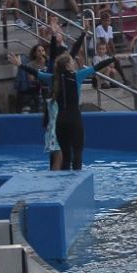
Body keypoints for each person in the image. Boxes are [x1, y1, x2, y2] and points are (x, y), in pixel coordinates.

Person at [11, 33, 115, 170]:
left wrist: (20, 64)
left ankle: (64, 185)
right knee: (77, 154)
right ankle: (78, 184)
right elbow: (96, 67)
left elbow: (36, 73)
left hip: (60, 122)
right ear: (67, 66)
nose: (74, 63)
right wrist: (114, 58)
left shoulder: (53, 78)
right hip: (74, 119)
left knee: (66, 157)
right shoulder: (78, 76)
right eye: (72, 62)